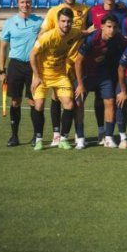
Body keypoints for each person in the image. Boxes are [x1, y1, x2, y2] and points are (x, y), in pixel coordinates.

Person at [40, 0, 90, 148]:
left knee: (76, 99)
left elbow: (93, 27)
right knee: (56, 97)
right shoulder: (54, 11)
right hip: (59, 63)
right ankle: (56, 134)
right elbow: (45, 32)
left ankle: (76, 134)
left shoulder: (84, 10)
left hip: (77, 62)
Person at [29, 8, 83, 151]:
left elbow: (82, 34)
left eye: (69, 22)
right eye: (63, 21)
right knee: (38, 105)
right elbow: (32, 55)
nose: (66, 24)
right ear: (58, 22)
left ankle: (63, 139)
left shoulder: (73, 33)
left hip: (60, 75)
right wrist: (36, 76)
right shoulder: (47, 37)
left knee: (69, 104)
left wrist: (92, 31)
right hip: (42, 75)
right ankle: (39, 139)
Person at [74, 14, 127, 149]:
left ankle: (108, 137)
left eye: (115, 27)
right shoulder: (92, 38)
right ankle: (80, 137)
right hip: (86, 74)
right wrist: (80, 84)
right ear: (102, 26)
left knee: (110, 101)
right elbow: (78, 61)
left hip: (103, 74)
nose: (112, 30)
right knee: (78, 102)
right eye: (109, 27)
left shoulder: (118, 38)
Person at [0, 0, 44, 147]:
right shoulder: (9, 23)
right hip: (15, 65)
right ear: (18, 3)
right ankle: (14, 136)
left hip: (33, 66)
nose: (25, 5)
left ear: (31, 3)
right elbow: (3, 48)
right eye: (22, 2)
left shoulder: (39, 22)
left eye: (28, 2)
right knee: (15, 101)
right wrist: (1, 71)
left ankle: (35, 137)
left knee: (34, 101)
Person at [87, 0, 127, 143]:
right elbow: (88, 33)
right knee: (100, 98)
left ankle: (116, 132)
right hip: (98, 63)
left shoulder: (123, 11)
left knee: (114, 97)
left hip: (116, 61)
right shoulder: (94, 11)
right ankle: (101, 130)